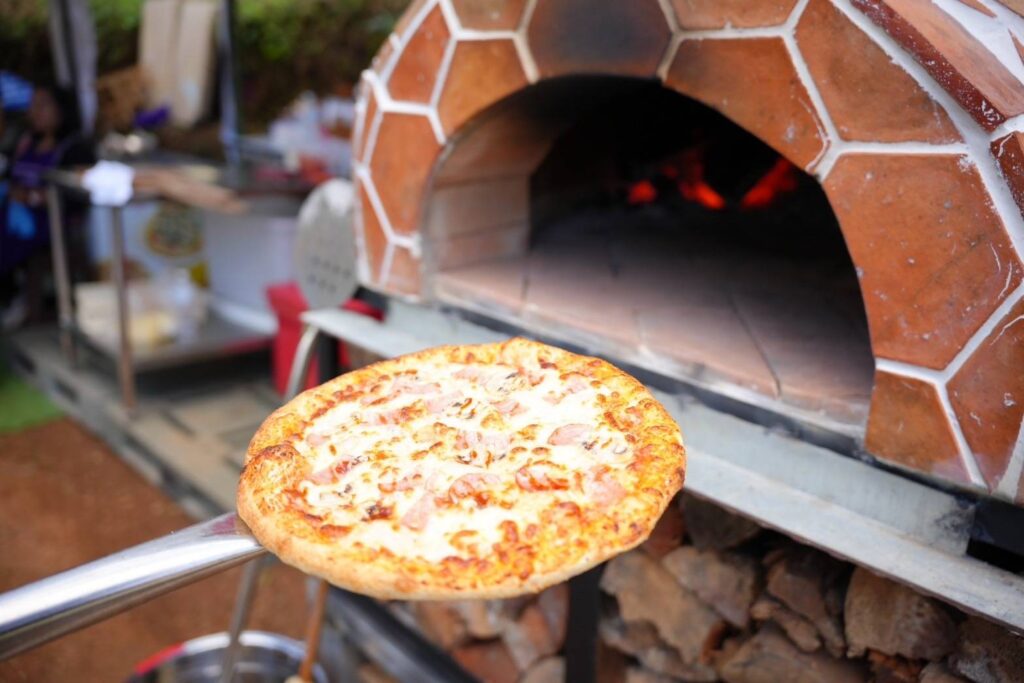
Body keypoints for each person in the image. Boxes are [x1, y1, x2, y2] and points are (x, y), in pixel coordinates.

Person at [0, 85, 90, 329]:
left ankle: (14, 297)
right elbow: (9, 177)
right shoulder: (26, 142)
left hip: (53, 224)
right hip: (14, 215)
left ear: (62, 110)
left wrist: (32, 198)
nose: (35, 112)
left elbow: (76, 195)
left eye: (42, 105)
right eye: (33, 106)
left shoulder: (75, 148)